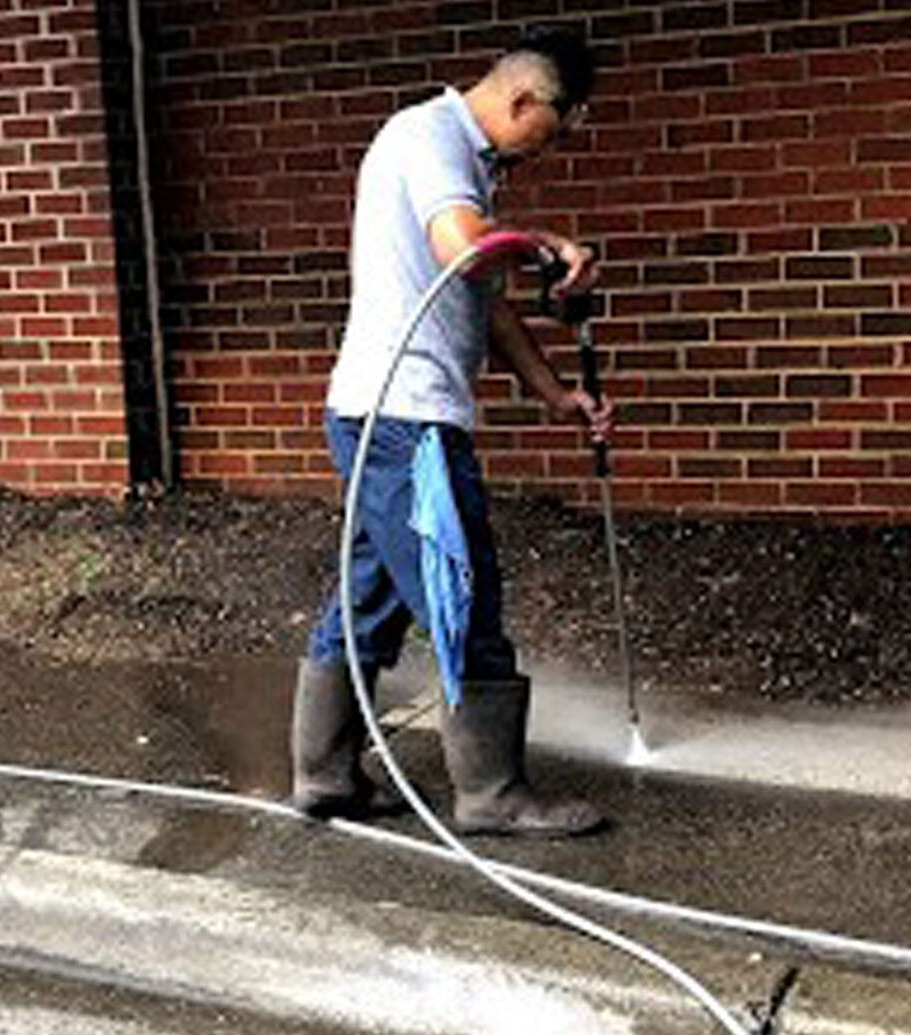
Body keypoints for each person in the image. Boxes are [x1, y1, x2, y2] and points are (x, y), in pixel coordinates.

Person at [289, 27, 612, 837]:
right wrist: (548, 247)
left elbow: (485, 300)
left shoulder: (465, 162)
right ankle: (491, 791)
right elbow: (466, 252)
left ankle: (323, 774)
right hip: (406, 420)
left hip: (379, 414)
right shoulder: (431, 138)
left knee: (370, 596)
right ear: (524, 99)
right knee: (462, 590)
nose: (554, 145)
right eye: (557, 127)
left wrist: (554, 396)